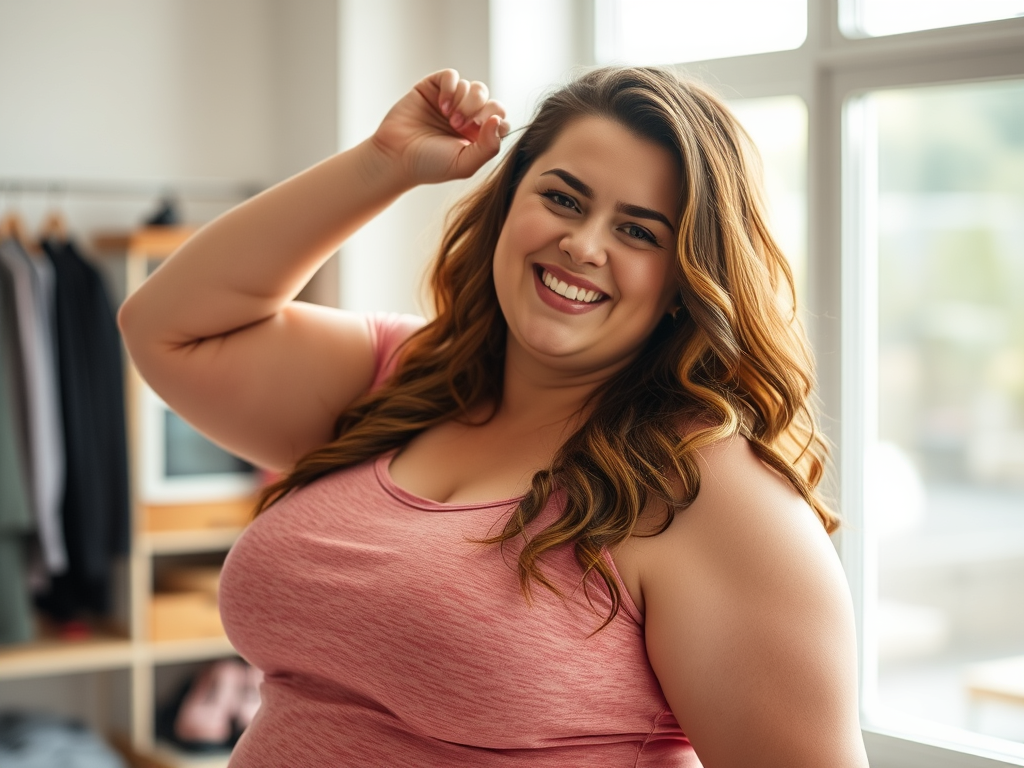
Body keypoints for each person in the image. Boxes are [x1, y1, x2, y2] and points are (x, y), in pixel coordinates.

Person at [118, 67, 869, 767]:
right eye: (563, 198)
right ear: (508, 201)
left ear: (686, 278)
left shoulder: (708, 489)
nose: (582, 244)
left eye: (638, 230)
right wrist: (383, 163)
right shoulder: (398, 373)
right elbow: (165, 326)